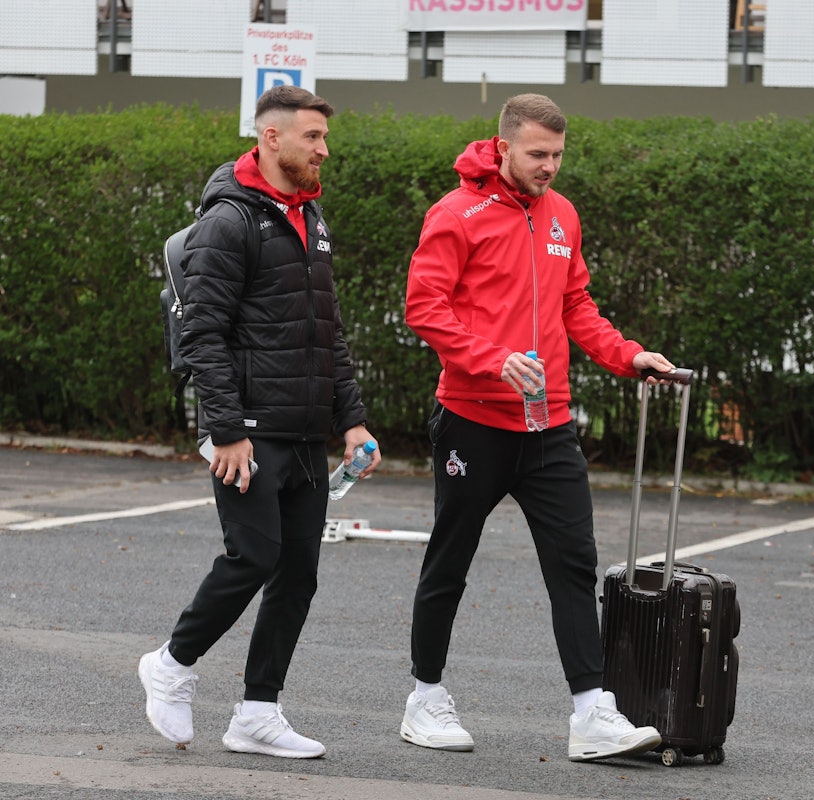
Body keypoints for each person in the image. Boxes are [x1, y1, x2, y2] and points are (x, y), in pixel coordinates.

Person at [402, 93, 676, 761]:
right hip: (473, 419)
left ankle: (590, 714)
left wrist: (627, 355)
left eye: (557, 154)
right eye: (536, 154)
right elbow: (423, 307)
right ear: (502, 148)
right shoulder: (456, 214)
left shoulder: (561, 216)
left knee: (572, 562)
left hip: (549, 424)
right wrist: (490, 360)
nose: (549, 166)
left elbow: (575, 304)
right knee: (450, 562)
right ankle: (424, 698)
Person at [138, 85, 380, 759]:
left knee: (297, 570)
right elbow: (204, 335)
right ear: (271, 138)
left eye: (324, 139)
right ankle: (171, 665)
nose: (323, 150)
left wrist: (352, 421)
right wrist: (225, 429)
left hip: (303, 429)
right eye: (313, 138)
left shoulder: (310, 216)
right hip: (247, 427)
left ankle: (257, 712)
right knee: (254, 555)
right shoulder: (229, 221)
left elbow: (325, 331)